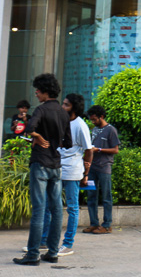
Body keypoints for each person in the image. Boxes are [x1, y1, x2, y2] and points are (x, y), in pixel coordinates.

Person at [14, 73, 73, 266]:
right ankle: (53, 252)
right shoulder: (64, 113)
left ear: (45, 91)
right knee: (56, 210)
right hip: (56, 164)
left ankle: (32, 255)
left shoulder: (41, 110)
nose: (36, 94)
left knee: (39, 210)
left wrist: (37, 138)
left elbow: (29, 127)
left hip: (40, 162)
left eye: (38, 91)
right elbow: (68, 142)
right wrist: (51, 139)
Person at [36, 94, 92, 256]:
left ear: (74, 107)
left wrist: (85, 174)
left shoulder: (81, 125)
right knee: (48, 206)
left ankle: (68, 243)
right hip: (56, 168)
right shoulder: (60, 121)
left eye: (66, 105)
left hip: (73, 171)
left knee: (72, 208)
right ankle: (44, 241)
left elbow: (88, 151)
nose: (63, 107)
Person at [85, 104, 120, 235]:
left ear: (102, 116)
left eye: (95, 119)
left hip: (104, 167)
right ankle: (94, 223)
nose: (93, 122)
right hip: (92, 166)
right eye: (91, 120)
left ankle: (107, 225)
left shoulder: (111, 130)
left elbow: (116, 150)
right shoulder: (94, 129)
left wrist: (99, 149)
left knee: (106, 196)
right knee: (91, 196)